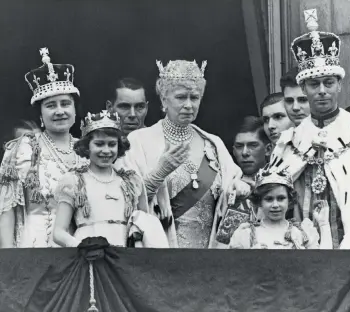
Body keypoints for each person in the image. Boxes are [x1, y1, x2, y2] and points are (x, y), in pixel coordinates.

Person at [269, 9, 350, 249]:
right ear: (304, 88)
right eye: (313, 84)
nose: (321, 91)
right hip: (300, 248)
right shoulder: (289, 142)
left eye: (328, 83)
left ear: (339, 85)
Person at [115, 59, 250, 248]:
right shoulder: (138, 142)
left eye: (194, 98)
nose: (188, 105)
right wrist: (158, 174)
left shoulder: (214, 144)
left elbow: (230, 193)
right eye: (181, 97)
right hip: (159, 251)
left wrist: (236, 187)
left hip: (209, 255)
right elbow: (122, 203)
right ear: (163, 99)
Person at [0, 47, 88, 248]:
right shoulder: (23, 149)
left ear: (75, 110)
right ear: (40, 114)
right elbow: (6, 208)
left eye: (65, 104)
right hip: (35, 246)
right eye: (51, 105)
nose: (59, 111)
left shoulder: (88, 149)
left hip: (81, 246)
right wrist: (7, 258)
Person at [53, 110, 168, 248]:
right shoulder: (74, 181)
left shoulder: (131, 181)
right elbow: (58, 232)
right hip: (88, 256)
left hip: (124, 257)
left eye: (112, 144)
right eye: (99, 144)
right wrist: (80, 247)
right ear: (87, 146)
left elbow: (142, 224)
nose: (106, 151)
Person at [229, 168, 332, 249]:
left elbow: (323, 263)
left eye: (281, 198)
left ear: (290, 200)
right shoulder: (247, 233)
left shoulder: (302, 232)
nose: (275, 205)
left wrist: (324, 224)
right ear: (260, 202)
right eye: (269, 199)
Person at [232, 116, 269, 187]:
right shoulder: (226, 184)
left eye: (252, 145)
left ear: (268, 149)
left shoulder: (282, 180)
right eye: (239, 146)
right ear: (233, 151)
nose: (244, 153)